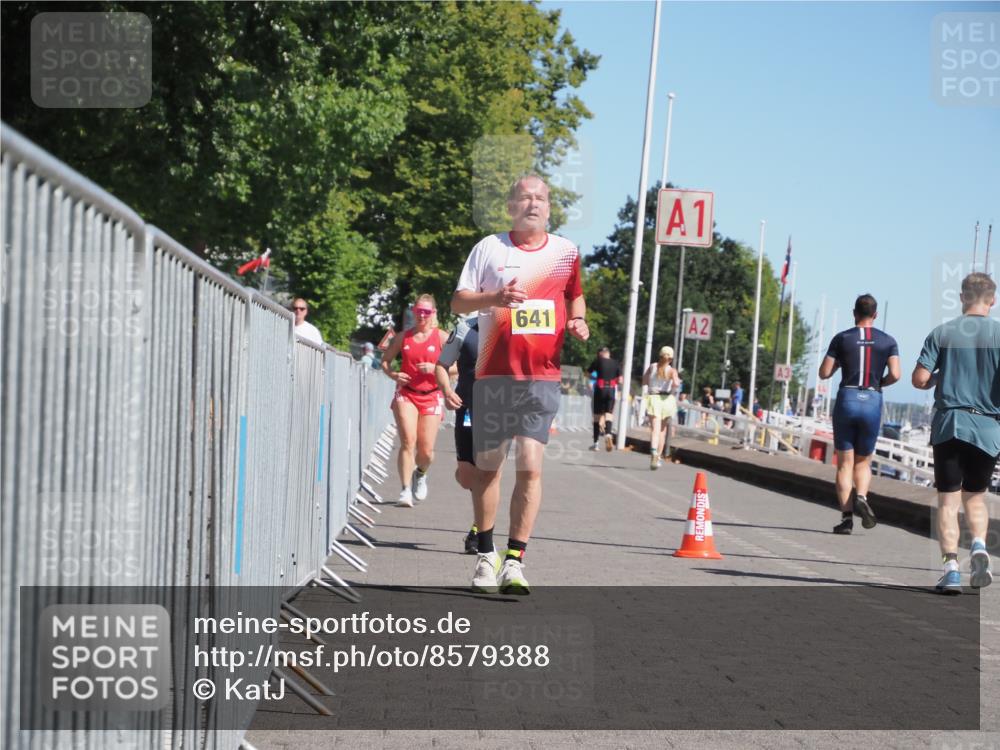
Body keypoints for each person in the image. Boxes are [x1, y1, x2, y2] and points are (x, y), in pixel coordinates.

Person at [452, 174, 588, 594]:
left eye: (541, 198)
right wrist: (494, 299)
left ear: (549, 208)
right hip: (494, 374)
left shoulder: (566, 252)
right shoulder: (489, 248)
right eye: (525, 197)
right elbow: (458, 302)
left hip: (541, 377)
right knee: (487, 471)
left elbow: (574, 295)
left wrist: (579, 317)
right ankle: (486, 555)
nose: (533, 204)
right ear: (511, 205)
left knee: (530, 467)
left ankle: (515, 560)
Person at [912, 272, 998, 594]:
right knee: (975, 497)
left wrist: (939, 377)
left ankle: (950, 570)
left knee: (948, 502)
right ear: (992, 300)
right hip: (988, 428)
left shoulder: (943, 333)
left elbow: (919, 379)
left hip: (950, 425)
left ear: (962, 297)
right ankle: (978, 545)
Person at [819, 293, 900, 535]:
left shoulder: (842, 338)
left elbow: (824, 373)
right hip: (872, 398)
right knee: (863, 461)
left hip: (848, 397)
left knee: (845, 464)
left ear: (854, 313)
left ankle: (846, 519)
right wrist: (879, 383)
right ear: (875, 315)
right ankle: (862, 496)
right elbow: (896, 374)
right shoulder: (888, 341)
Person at [380, 295, 448, 508]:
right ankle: (405, 490)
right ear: (413, 311)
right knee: (408, 441)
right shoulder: (404, 337)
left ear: (433, 314)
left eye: (426, 312)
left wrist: (435, 368)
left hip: (432, 394)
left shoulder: (442, 337)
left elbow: (457, 367)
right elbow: (385, 361)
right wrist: (394, 375)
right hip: (406, 393)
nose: (422, 315)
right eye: (418, 310)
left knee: (426, 451)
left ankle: (421, 473)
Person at [435, 316, 481, 554]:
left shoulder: (515, 326)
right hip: (467, 408)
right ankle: (470, 476)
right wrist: (446, 390)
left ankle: (479, 531)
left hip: (500, 412)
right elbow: (441, 365)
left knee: (488, 473)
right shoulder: (465, 327)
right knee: (467, 477)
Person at [642, 346, 681, 470]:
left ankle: (653, 452)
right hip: (666, 400)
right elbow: (676, 384)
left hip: (654, 398)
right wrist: (674, 382)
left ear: (660, 355)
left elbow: (644, 381)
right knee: (662, 432)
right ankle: (658, 457)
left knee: (655, 430)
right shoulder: (672, 370)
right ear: (671, 358)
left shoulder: (652, 366)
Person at [588, 346, 621, 451]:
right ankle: (608, 433)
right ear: (609, 353)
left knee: (597, 417)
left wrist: (594, 378)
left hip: (600, 389)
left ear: (602, 353)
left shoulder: (598, 361)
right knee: (609, 414)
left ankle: (596, 443)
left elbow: (588, 373)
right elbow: (620, 380)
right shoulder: (616, 363)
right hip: (611, 390)